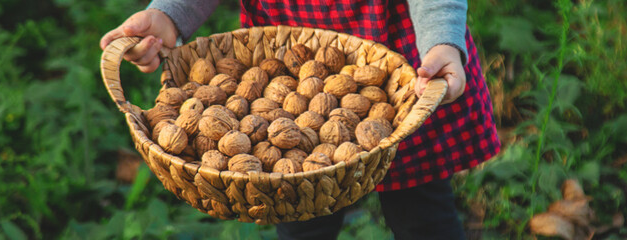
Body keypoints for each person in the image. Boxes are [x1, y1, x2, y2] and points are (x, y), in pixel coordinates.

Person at [101, 0, 500, 239]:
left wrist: (441, 40)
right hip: (279, 61)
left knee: (422, 214)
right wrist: (169, 14)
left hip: (394, 67)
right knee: (299, 211)